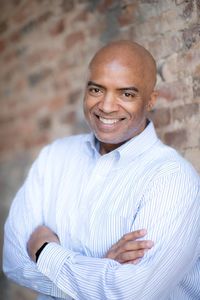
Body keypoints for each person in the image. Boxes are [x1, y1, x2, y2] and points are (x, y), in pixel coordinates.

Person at [3, 40, 200, 300]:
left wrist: (44, 251)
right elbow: (12, 260)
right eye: (97, 89)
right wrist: (100, 272)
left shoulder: (172, 179)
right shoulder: (55, 157)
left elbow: (132, 293)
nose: (106, 107)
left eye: (126, 94)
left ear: (150, 100)